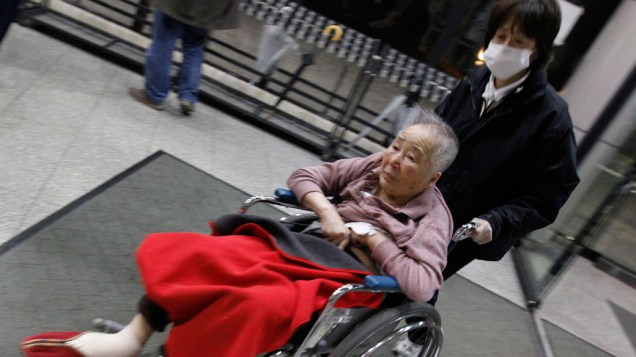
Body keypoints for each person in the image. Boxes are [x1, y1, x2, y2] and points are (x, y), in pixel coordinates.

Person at [21, 108, 459, 356]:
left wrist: (373, 237)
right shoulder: (371, 165)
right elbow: (307, 174)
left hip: (348, 276)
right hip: (309, 241)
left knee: (254, 302)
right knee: (205, 253)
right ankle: (130, 339)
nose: (393, 158)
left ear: (431, 177)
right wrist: (327, 210)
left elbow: (422, 285)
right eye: (396, 144)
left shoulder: (434, 219)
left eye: (411, 156)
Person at [392, 0, 580, 355]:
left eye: (519, 41)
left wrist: (496, 221)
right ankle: (404, 327)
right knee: (393, 263)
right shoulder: (476, 80)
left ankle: (415, 338)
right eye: (501, 35)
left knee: (420, 276)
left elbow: (551, 193)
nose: (506, 46)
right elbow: (437, 132)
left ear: (538, 49)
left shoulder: (551, 118)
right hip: (424, 199)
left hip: (469, 223)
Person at [128, 0, 239, 115]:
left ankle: (154, 95)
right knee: (194, 45)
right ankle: (188, 97)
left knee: (164, 40)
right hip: (210, 7)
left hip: (177, 5)